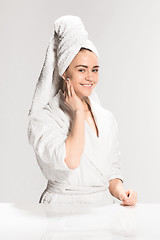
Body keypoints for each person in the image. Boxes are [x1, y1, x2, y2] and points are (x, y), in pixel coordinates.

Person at [27, 15, 137, 206]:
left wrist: (121, 193)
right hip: (61, 208)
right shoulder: (44, 117)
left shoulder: (106, 118)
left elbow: (111, 172)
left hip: (101, 208)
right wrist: (77, 113)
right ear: (64, 72)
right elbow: (70, 160)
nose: (90, 77)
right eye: (81, 69)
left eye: (95, 69)